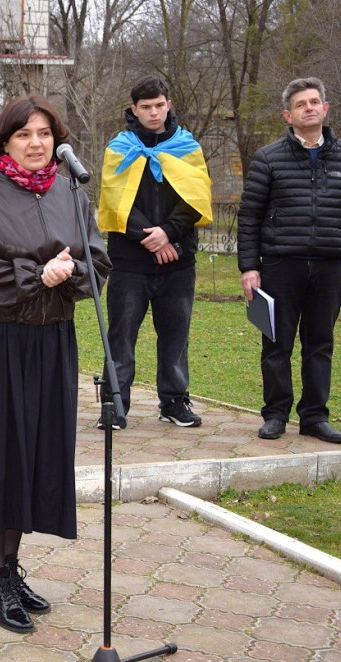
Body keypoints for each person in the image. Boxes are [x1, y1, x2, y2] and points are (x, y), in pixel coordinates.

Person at [0, 95, 111, 633]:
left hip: (49, 341)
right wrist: (35, 276)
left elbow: (96, 259)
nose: (36, 143)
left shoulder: (70, 190)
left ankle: (10, 572)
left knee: (30, 456)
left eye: (44, 133)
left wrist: (70, 276)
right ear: (5, 141)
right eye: (24, 135)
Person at [237, 77, 341, 444]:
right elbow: (249, 216)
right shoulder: (267, 158)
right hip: (280, 266)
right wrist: (249, 266)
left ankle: (314, 416)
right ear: (288, 115)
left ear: (325, 109)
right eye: (301, 104)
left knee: (320, 343)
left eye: (315, 102)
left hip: (329, 267)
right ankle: (275, 414)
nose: (309, 107)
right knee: (276, 343)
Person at [96, 76, 212, 430]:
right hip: (131, 262)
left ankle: (175, 401)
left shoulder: (186, 146)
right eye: (145, 107)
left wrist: (169, 234)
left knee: (176, 335)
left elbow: (195, 200)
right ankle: (114, 404)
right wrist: (151, 236)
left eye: (159, 105)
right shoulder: (119, 148)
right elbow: (115, 203)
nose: (153, 112)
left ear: (168, 104)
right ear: (134, 109)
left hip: (177, 259)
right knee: (121, 336)